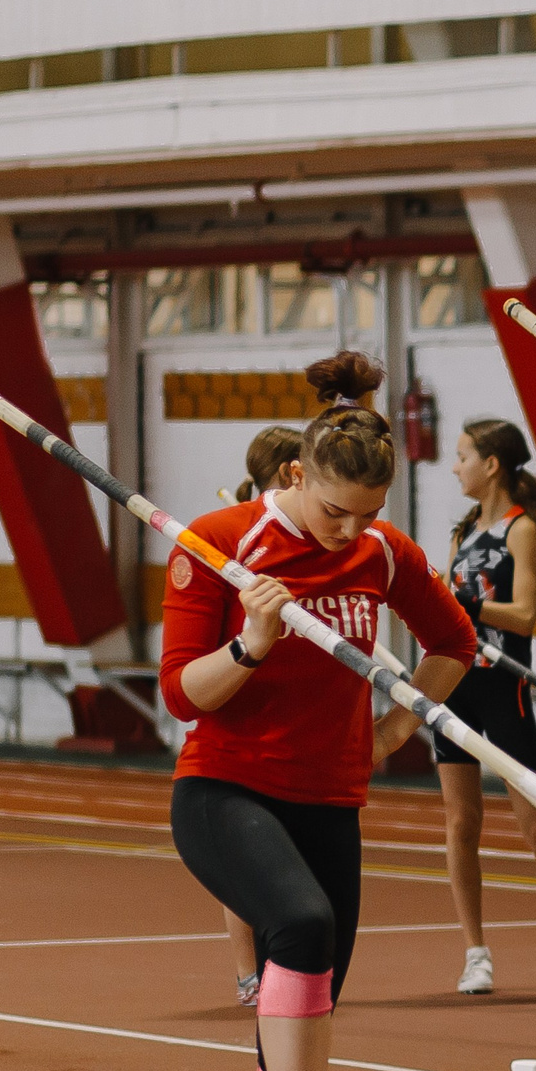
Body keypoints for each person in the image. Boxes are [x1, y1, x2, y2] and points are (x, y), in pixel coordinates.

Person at [160, 352, 476, 1071]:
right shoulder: (222, 544)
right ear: (297, 475)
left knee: (286, 1051)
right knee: (299, 924)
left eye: (366, 513)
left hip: (330, 801)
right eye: (335, 511)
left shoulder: (381, 552)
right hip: (224, 790)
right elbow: (181, 693)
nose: (348, 530)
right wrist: (250, 643)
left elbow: (454, 642)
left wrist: (395, 728)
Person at [434, 417, 536, 997]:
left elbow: (522, 614)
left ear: (491, 464)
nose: (455, 467)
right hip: (455, 684)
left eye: (463, 456)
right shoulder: (463, 532)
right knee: (460, 823)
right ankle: (475, 953)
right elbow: (449, 610)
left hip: (503, 686)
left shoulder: (522, 530)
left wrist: (462, 603)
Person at [220, 423, 302, 1009]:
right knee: (243, 852)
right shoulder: (237, 536)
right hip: (240, 692)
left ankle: (282, 963)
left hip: (294, 705)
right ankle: (249, 972)